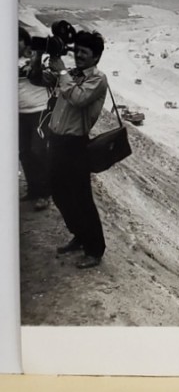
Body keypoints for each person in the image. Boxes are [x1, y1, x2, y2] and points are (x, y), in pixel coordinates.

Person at [29, 30, 108, 269]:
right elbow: (36, 79)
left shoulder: (97, 78)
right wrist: (38, 56)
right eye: (77, 51)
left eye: (85, 53)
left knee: (82, 198)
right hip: (57, 142)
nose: (79, 56)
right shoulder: (71, 74)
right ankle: (80, 236)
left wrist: (62, 71)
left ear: (96, 57)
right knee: (59, 193)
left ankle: (95, 250)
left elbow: (78, 98)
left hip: (76, 145)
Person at [18, 26, 51, 210]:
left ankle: (45, 193)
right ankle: (33, 189)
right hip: (18, 112)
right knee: (24, 152)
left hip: (40, 110)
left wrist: (36, 57)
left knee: (38, 150)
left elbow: (42, 74)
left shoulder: (39, 56)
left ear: (25, 40)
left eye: (18, 40)